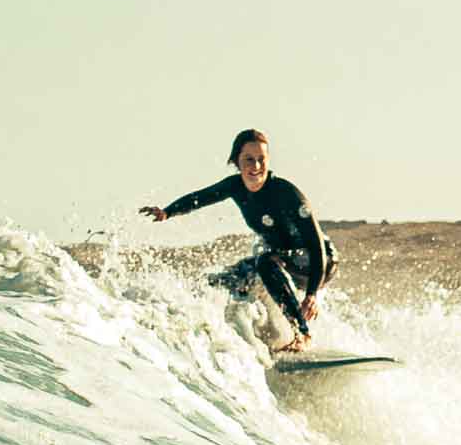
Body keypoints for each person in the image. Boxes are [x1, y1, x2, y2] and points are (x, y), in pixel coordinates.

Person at [142, 129, 336, 352]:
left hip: (319, 260)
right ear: (236, 162)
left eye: (261, 159)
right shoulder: (234, 186)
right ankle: (268, 339)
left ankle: (302, 334)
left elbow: (315, 243)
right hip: (282, 259)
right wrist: (167, 212)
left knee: (264, 262)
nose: (255, 166)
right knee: (229, 279)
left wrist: (312, 294)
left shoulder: (286, 193)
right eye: (249, 160)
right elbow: (200, 198)